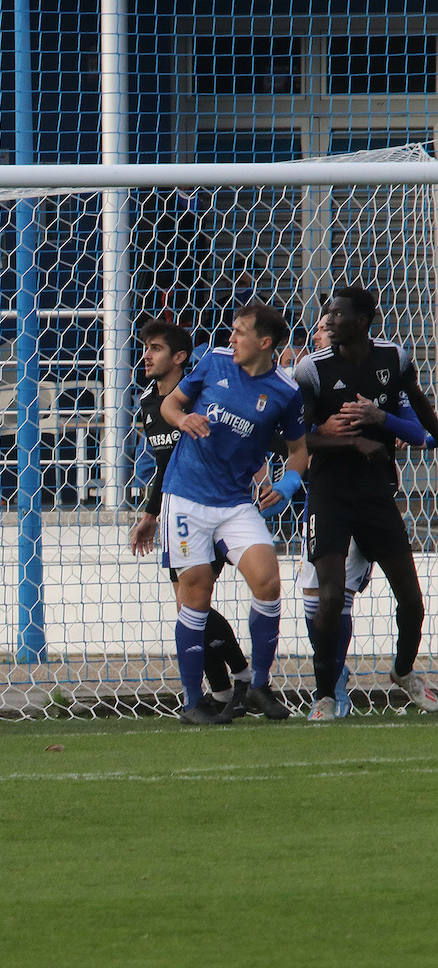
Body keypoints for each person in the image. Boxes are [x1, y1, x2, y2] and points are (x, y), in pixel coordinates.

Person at [291, 286, 438, 720]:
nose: (328, 322)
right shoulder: (311, 370)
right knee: (330, 597)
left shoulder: (394, 359)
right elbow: (294, 440)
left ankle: (403, 670)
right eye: (326, 315)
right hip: (329, 494)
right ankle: (325, 696)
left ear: (363, 320)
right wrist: (351, 440)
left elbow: (423, 416)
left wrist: (389, 423)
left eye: (336, 315)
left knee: (412, 600)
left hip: (376, 494)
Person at [158, 301, 308, 724]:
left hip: (236, 501)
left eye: (239, 332)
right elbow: (170, 405)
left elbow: (299, 451)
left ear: (264, 342)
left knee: (268, 579)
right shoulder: (214, 361)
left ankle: (258, 685)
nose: (231, 338)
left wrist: (287, 483)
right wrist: (183, 419)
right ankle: (192, 702)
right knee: (196, 592)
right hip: (186, 495)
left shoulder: (285, 392)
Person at [128, 319, 252, 717]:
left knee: (190, 603)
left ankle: (242, 678)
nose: (147, 355)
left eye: (157, 348)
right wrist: (152, 512)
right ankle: (221, 691)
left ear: (181, 358)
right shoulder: (148, 400)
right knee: (190, 606)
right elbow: (163, 464)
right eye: (146, 347)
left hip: (210, 508)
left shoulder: (198, 402)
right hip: (175, 511)